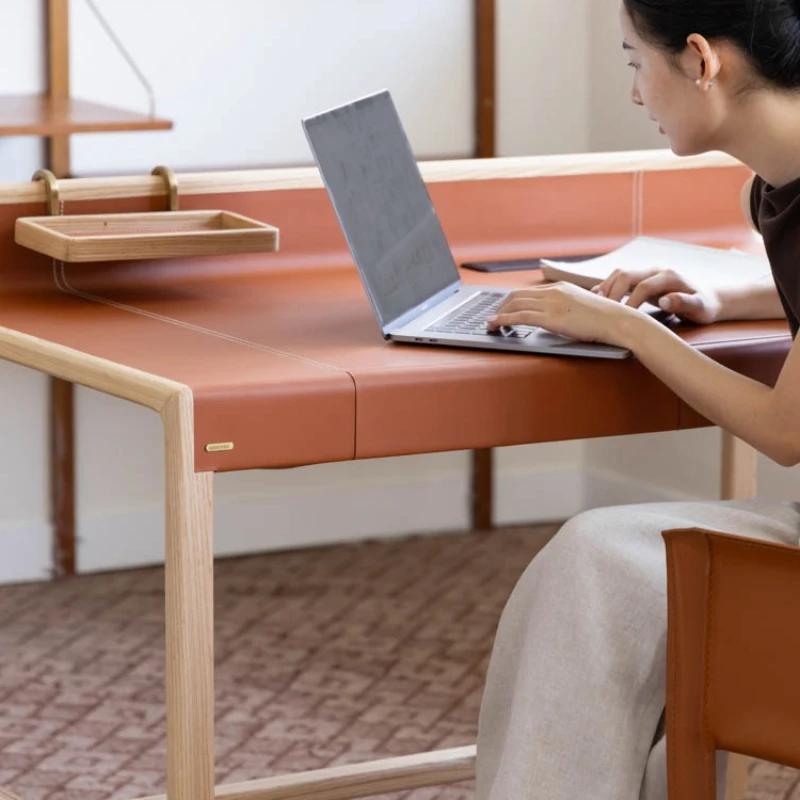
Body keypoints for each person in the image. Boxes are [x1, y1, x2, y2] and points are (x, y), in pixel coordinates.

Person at [476, 1, 800, 798]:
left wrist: (631, 330)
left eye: (632, 62)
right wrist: (732, 302)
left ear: (699, 59)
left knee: (594, 567)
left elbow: (786, 430)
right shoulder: (778, 187)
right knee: (604, 566)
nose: (633, 92)